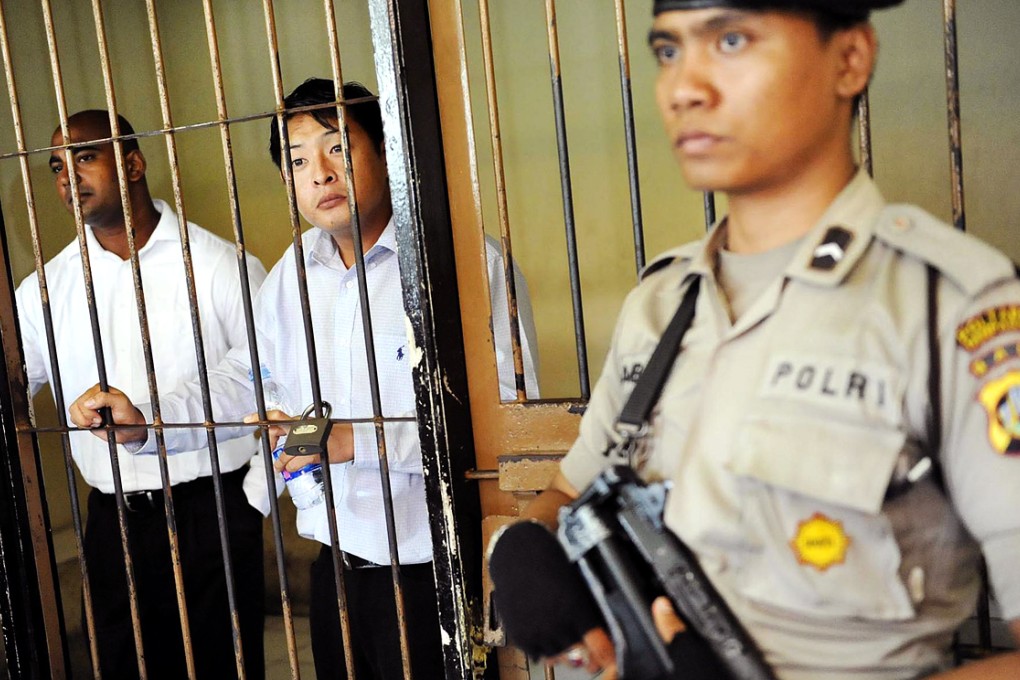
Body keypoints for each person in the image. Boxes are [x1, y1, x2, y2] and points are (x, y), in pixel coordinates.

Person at [489, 1, 1020, 678]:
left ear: (850, 59)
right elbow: (571, 489)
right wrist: (525, 547)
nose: (685, 87)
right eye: (668, 51)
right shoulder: (662, 303)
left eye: (731, 40)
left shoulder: (950, 309)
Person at [76, 79, 541, 680]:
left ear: (387, 152)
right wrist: (149, 421)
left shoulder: (464, 266)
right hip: (336, 575)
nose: (319, 173)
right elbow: (246, 377)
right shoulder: (294, 274)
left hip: (440, 573)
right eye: (297, 161)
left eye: (337, 148)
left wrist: (360, 440)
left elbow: (508, 421)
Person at [18, 110, 268, 679]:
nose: (66, 176)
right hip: (116, 521)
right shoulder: (43, 293)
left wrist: (252, 501)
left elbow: (268, 375)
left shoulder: (220, 266)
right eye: (57, 165)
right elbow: (13, 384)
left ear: (132, 162)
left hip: (215, 510)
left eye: (85, 156)